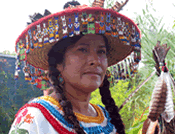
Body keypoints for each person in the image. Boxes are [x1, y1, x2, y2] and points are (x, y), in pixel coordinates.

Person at [9, 0, 141, 133]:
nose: (95, 61)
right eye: (83, 50)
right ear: (58, 63)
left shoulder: (107, 119)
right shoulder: (35, 117)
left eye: (101, 51)